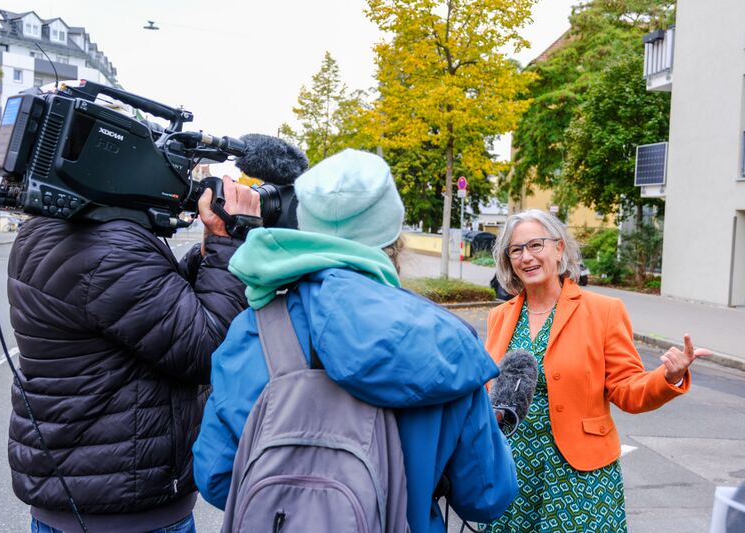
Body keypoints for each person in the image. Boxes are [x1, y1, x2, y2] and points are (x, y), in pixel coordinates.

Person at [192, 149, 518, 532]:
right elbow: (488, 497)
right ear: (393, 237)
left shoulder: (253, 329)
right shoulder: (448, 343)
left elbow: (216, 478)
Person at [6, 178, 259, 533]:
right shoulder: (110, 246)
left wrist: (210, 252)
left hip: (80, 496)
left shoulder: (49, 232)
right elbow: (208, 348)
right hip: (125, 510)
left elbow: (157, 307)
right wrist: (230, 243)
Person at [482, 209, 712, 532]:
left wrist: (669, 377)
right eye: (516, 249)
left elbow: (628, 389)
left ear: (559, 248)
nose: (527, 257)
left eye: (536, 245)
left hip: (581, 478)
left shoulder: (602, 312)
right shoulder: (500, 317)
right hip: (513, 471)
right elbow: (488, 394)